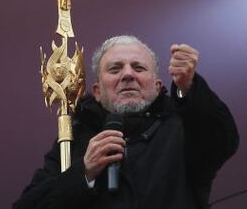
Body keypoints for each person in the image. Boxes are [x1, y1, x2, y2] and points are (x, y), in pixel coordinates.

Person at [13, 35, 239, 209]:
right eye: (115, 68)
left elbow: (222, 140)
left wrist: (189, 88)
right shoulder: (75, 141)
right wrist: (83, 172)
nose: (128, 75)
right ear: (97, 91)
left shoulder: (182, 129)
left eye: (138, 67)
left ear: (158, 86)